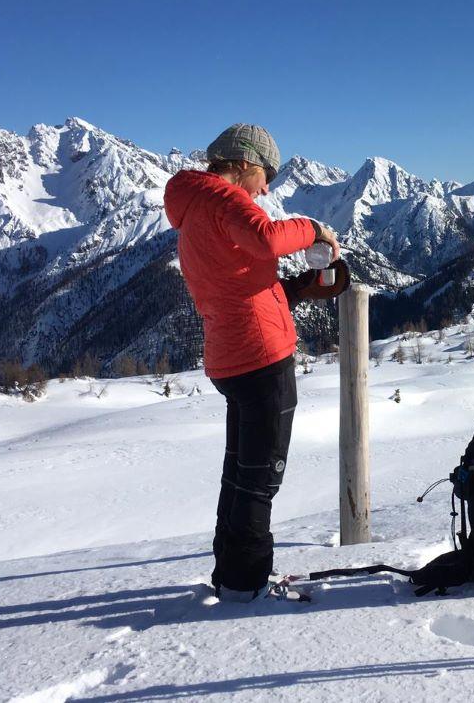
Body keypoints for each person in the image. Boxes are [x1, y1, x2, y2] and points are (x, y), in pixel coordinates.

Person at [164, 123, 344, 602]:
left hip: (232, 356)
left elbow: (237, 285)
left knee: (240, 473)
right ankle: (246, 586)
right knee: (261, 477)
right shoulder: (224, 199)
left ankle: (230, 574)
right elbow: (266, 239)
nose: (266, 189)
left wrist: (297, 289)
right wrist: (315, 229)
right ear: (244, 163)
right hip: (262, 360)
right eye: (266, 176)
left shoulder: (194, 207)